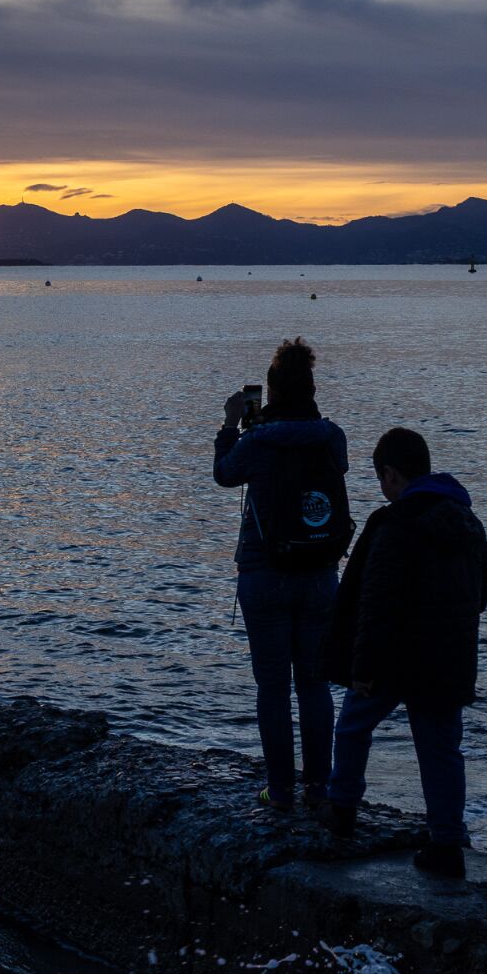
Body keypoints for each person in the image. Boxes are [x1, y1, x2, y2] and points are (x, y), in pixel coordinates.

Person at [319, 427, 487, 879]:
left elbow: (373, 601)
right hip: (449, 659)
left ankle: (342, 809)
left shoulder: (393, 524)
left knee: (353, 726)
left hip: (395, 656)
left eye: (382, 478)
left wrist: (362, 666)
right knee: (441, 750)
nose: (382, 487)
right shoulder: (468, 521)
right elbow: (482, 594)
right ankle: (447, 844)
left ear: (392, 474)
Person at [213, 338, 352, 812]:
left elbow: (225, 474)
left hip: (264, 573)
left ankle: (280, 789)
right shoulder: (332, 436)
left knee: (273, 687)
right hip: (320, 572)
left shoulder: (257, 441)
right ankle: (318, 787)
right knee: (314, 685)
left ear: (271, 392)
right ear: (312, 388)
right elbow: (339, 469)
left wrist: (231, 425)